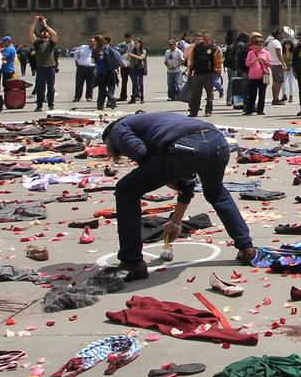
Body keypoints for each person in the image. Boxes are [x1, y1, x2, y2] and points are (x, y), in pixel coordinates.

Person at [102, 112, 256, 281]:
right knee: (217, 193)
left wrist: (170, 177)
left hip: (185, 147)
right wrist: (176, 222)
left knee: (126, 190)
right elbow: (185, 184)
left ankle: (132, 261)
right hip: (218, 143)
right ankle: (247, 249)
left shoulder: (118, 130)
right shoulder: (154, 122)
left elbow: (142, 155)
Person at [183, 31, 222, 117]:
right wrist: (190, 70)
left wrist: (217, 71)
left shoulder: (214, 48)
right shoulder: (196, 48)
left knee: (209, 94)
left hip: (209, 74)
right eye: (203, 38)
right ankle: (194, 111)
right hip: (197, 74)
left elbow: (218, 61)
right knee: (196, 94)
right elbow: (192, 59)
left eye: (206, 38)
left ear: (209, 38)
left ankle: (208, 111)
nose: (204, 40)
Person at [30, 16, 60, 112]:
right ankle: (39, 105)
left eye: (46, 32)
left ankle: (51, 104)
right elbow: (30, 33)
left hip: (51, 67)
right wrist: (34, 23)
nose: (45, 33)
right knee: (40, 88)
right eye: (43, 31)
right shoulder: (37, 43)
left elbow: (55, 34)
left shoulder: (51, 43)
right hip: (41, 68)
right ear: (40, 33)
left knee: (51, 88)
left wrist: (45, 25)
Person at [243, 33, 272, 115]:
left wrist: (264, 61)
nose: (259, 47)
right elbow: (247, 64)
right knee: (252, 95)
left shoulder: (266, 53)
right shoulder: (251, 53)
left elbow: (270, 64)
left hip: (263, 76)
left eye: (261, 45)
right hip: (253, 77)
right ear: (254, 45)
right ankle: (249, 110)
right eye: (257, 45)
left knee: (262, 94)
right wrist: (254, 60)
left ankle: (260, 110)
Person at [94, 35, 124, 111]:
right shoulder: (109, 48)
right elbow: (115, 58)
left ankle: (100, 105)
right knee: (111, 87)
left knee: (101, 89)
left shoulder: (95, 50)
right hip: (110, 71)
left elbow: (93, 61)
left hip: (101, 72)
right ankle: (111, 98)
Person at [73, 38, 96, 102]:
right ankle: (77, 97)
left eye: (93, 42)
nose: (92, 43)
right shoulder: (83, 47)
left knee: (90, 84)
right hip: (81, 67)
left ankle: (89, 97)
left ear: (96, 42)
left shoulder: (97, 49)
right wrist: (76, 61)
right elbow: (76, 53)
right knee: (79, 83)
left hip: (92, 68)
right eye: (91, 41)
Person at [125, 38, 147, 104]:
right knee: (134, 83)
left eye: (137, 43)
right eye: (135, 43)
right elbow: (128, 59)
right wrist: (128, 55)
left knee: (140, 83)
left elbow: (141, 58)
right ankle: (133, 97)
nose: (135, 44)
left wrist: (132, 55)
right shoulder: (132, 50)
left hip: (140, 68)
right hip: (133, 68)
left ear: (140, 44)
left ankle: (142, 97)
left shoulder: (143, 51)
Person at [266, 31, 286, 105]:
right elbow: (278, 53)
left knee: (275, 82)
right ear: (278, 35)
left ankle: (274, 98)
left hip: (272, 64)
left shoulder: (270, 43)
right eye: (281, 35)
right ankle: (276, 99)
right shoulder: (277, 43)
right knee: (279, 82)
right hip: (278, 64)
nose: (282, 36)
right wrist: (283, 63)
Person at [115, 33, 133, 102]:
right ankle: (123, 96)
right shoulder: (122, 44)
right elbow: (116, 48)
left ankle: (136, 95)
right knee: (124, 81)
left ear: (130, 38)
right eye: (126, 38)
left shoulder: (134, 44)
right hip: (124, 65)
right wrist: (123, 50)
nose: (127, 39)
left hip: (132, 65)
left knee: (134, 81)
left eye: (128, 38)